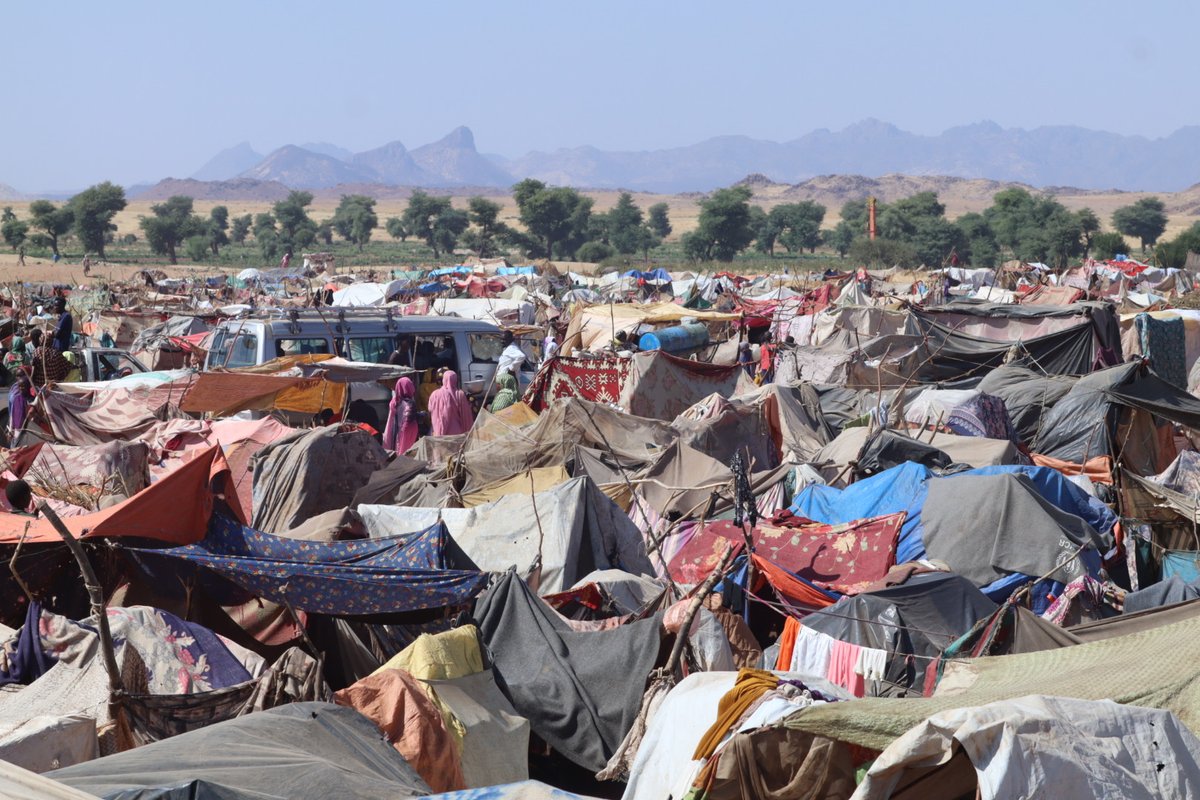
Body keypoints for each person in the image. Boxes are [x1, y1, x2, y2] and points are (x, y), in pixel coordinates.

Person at [428, 370, 474, 436]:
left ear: (444, 379)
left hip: (439, 432)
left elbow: (430, 409)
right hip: (458, 432)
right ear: (455, 380)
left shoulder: (435, 394)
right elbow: (466, 415)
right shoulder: (460, 394)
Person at [382, 377, 419, 453]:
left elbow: (391, 419)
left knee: (397, 450)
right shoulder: (409, 404)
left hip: (394, 431)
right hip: (407, 432)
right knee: (406, 452)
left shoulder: (394, 402)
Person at [7, 369, 31, 447]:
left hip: (28, 432)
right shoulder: (16, 398)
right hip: (16, 431)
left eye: (21, 375)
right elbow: (12, 415)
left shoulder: (31, 399)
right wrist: (10, 431)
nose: (21, 388)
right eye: (17, 376)